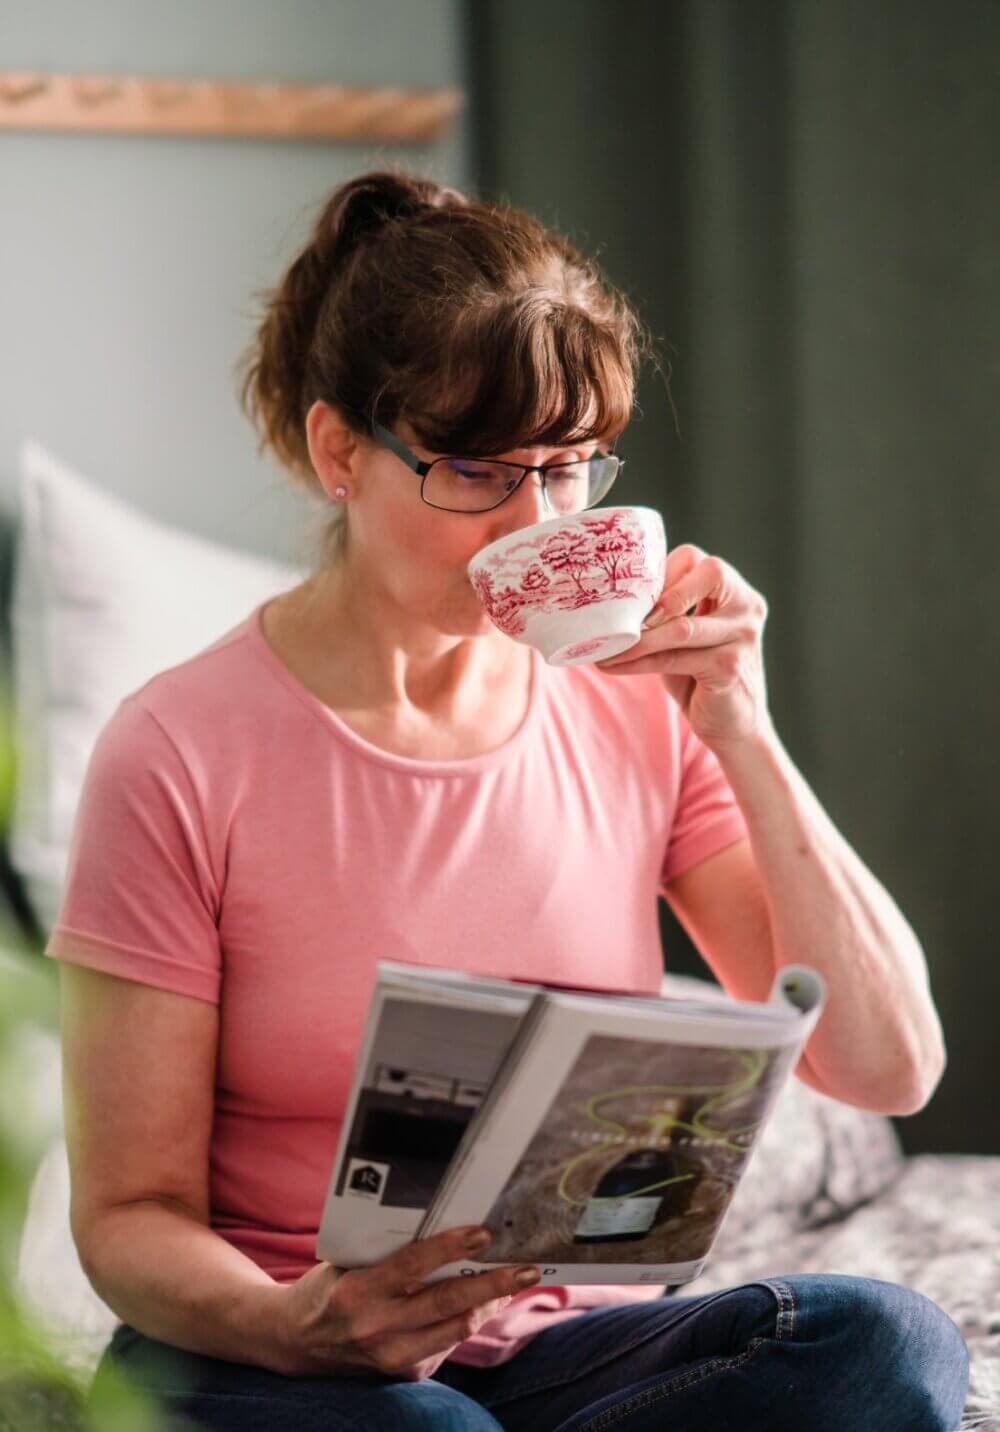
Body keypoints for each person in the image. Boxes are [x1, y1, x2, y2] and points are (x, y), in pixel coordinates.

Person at [52, 170, 968, 1431]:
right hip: (261, 1346)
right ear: (338, 452)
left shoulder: (633, 706)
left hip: (558, 1354)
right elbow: (125, 1219)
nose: (535, 524)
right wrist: (298, 1323)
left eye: (575, 467)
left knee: (879, 1340)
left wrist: (742, 730)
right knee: (430, 1429)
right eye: (481, 472)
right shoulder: (176, 749)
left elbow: (888, 1064)